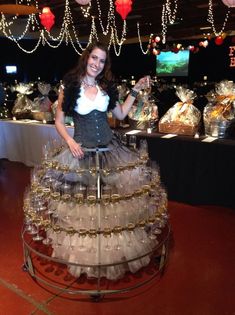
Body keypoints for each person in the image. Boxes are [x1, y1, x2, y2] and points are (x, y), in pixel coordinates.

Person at [25, 41, 168, 281]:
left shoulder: (105, 87)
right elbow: (59, 121)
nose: (97, 64)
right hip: (82, 151)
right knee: (86, 205)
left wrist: (135, 90)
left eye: (102, 61)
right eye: (94, 58)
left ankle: (111, 255)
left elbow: (121, 114)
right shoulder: (69, 87)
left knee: (111, 204)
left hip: (110, 150)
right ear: (86, 58)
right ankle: (87, 257)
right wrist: (70, 142)